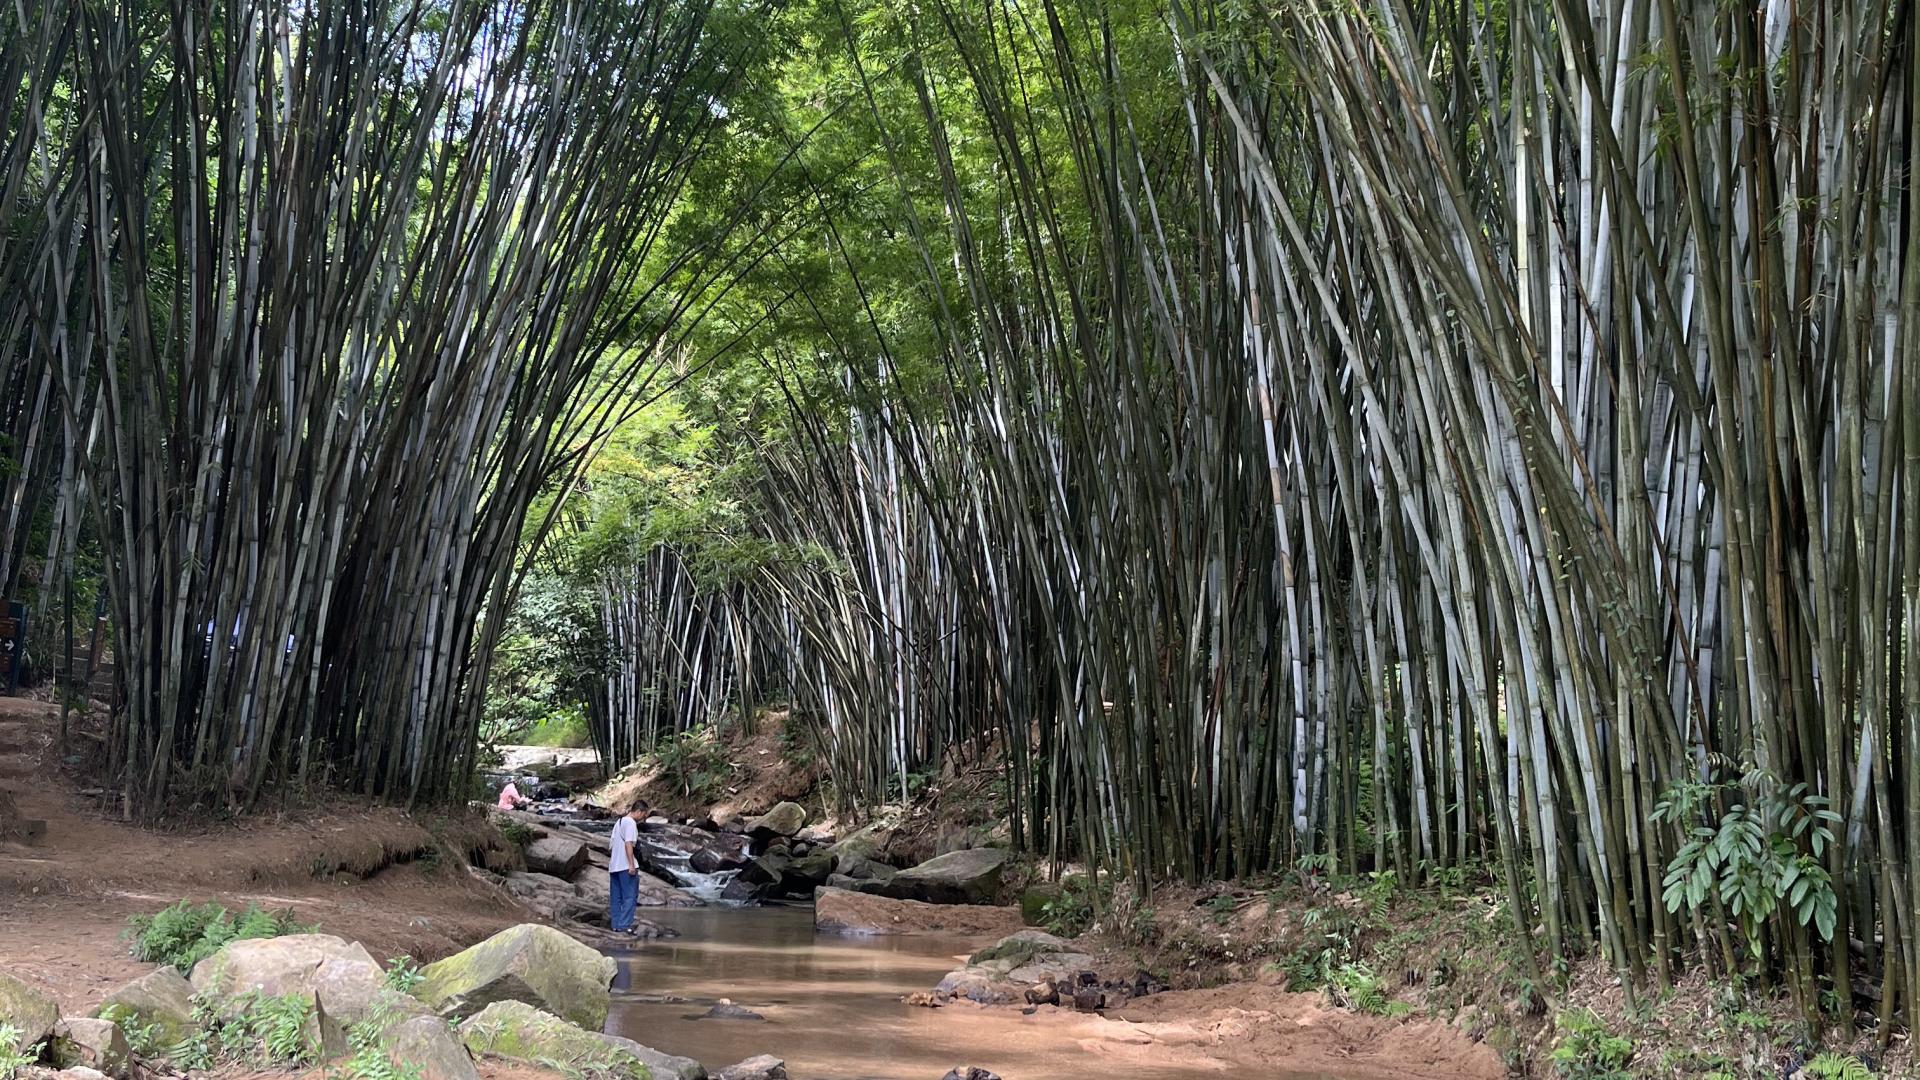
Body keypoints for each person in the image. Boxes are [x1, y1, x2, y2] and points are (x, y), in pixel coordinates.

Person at [608, 801, 650, 934]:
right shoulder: (631, 823)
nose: (643, 818)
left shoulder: (619, 822)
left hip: (614, 866)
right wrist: (631, 864)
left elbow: (611, 845)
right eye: (643, 815)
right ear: (638, 811)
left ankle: (616, 925)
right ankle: (624, 925)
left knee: (616, 897)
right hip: (626, 866)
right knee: (630, 897)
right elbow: (628, 844)